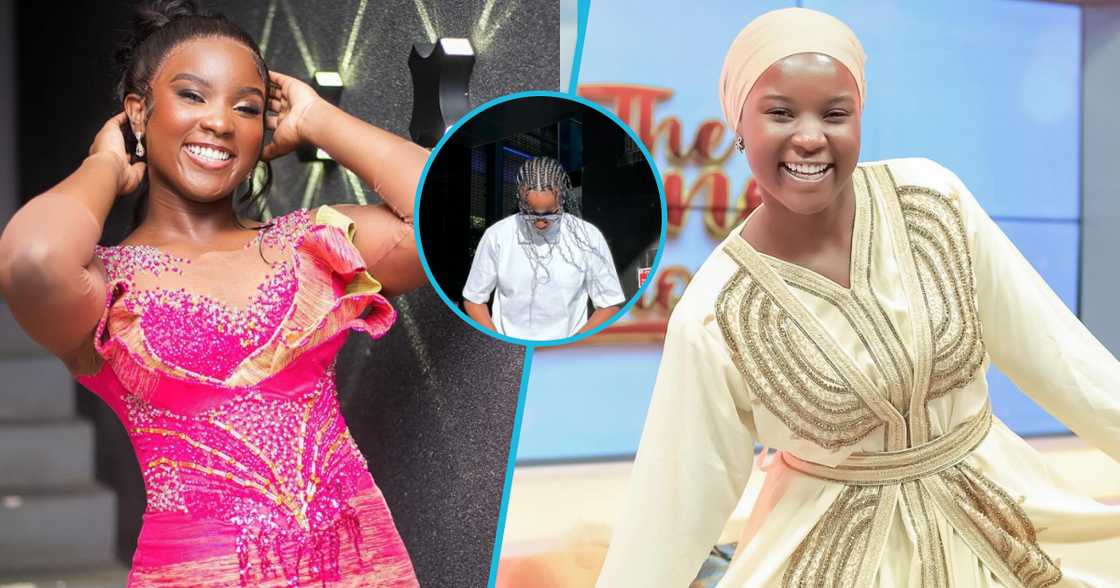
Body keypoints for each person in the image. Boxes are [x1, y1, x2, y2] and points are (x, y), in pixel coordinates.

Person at [596, 7, 1120, 587]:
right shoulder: (715, 311)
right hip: (830, 558)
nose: (810, 137)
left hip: (1000, 519)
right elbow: (673, 500)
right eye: (780, 113)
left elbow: (1060, 357)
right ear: (737, 124)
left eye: (835, 113)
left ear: (860, 117)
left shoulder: (932, 203)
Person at [0, 1, 429, 586]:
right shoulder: (104, 287)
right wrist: (106, 162)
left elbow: (448, 222)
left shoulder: (307, 245)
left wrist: (317, 118)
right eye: (192, 96)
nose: (220, 122)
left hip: (362, 567)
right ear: (138, 111)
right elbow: (32, 257)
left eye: (245, 107)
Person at [462, 156, 625, 340]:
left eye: (550, 214)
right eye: (530, 213)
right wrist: (498, 344)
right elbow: (474, 299)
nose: (540, 223)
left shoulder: (588, 236)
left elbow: (609, 303)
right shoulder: (497, 235)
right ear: (520, 199)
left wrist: (574, 343)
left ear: (562, 199)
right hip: (510, 350)